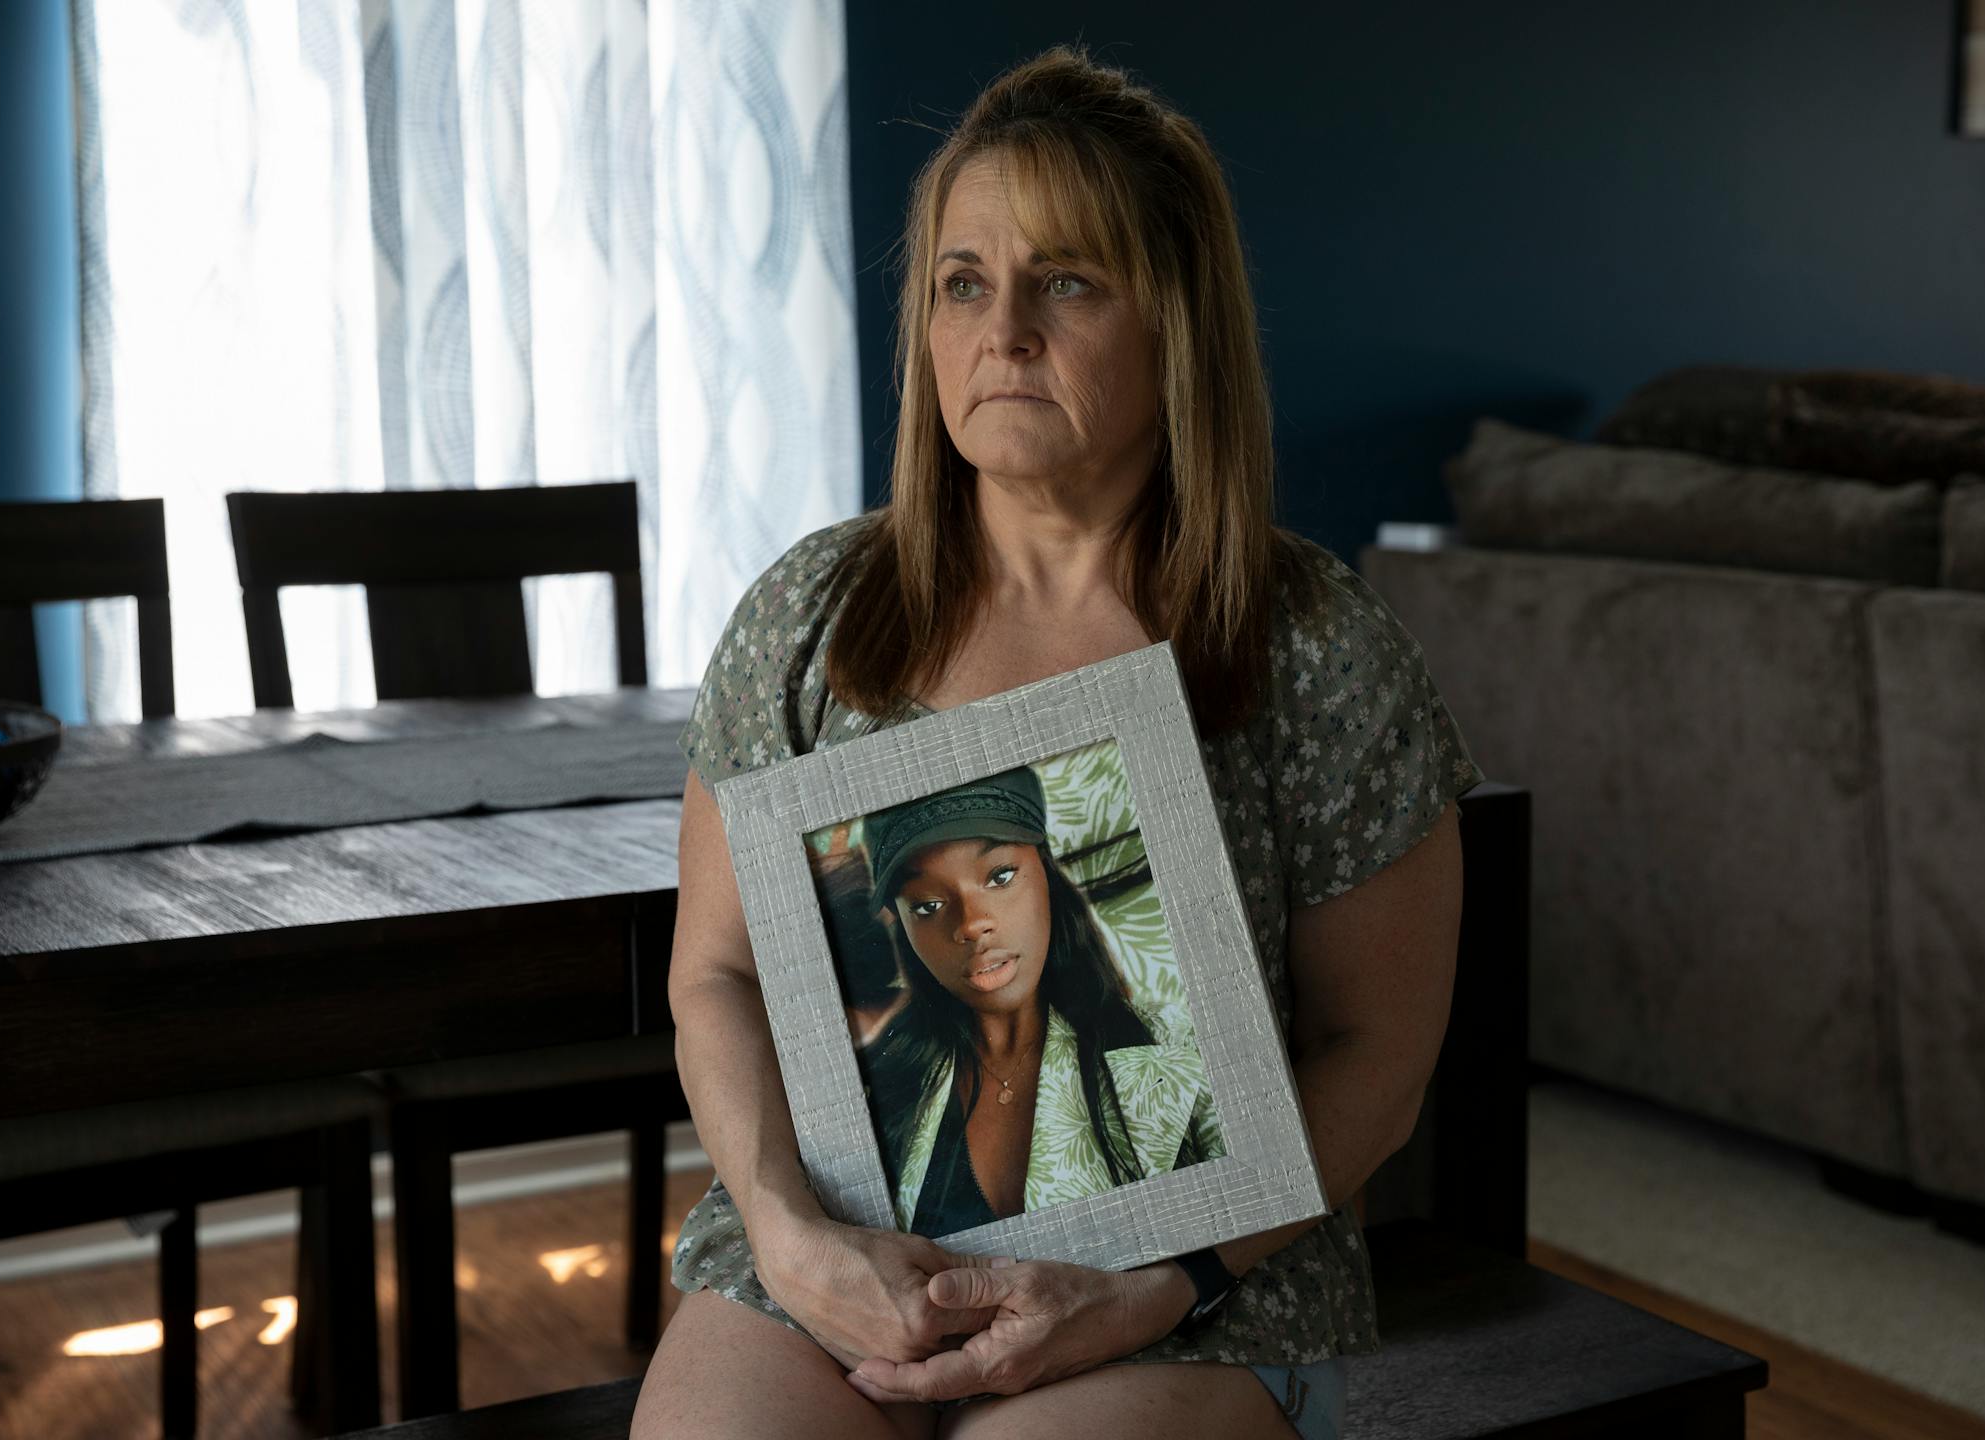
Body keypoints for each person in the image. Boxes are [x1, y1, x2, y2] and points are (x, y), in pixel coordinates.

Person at [633, 44, 1477, 1440]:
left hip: (1199, 1292)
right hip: (835, 1257)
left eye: (1067, 281)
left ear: (1178, 324)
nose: (1003, 328)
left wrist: (1162, 1281)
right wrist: (787, 1233)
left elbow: (1379, 1049)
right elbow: (717, 974)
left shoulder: (1314, 644)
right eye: (964, 282)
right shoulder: (809, 614)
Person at [854, 766, 1222, 1238]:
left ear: (1048, 877)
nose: (971, 924)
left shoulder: (1179, 1046)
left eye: (1000, 875)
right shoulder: (877, 1096)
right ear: (903, 928)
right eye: (927, 905)